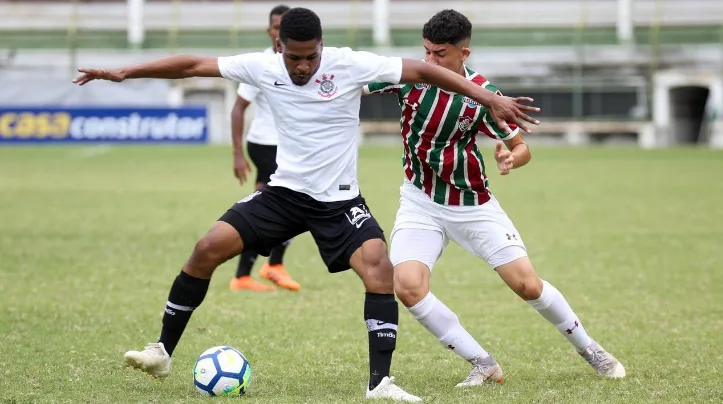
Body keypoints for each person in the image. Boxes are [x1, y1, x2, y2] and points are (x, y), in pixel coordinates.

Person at [72, 7, 539, 401]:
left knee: (379, 269)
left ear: (321, 47)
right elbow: (194, 65)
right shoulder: (263, 67)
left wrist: (486, 97)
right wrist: (123, 73)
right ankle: (161, 353)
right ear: (281, 50)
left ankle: (381, 383)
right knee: (206, 248)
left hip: (339, 201)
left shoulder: (349, 64)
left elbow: (423, 71)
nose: (303, 66)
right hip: (284, 194)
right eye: (294, 58)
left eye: (310, 56)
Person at [363, 9, 625, 387]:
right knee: (407, 286)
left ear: (463, 54)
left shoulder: (484, 96)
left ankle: (589, 348)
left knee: (527, 285)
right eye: (426, 52)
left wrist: (509, 157)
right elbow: (356, 81)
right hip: (420, 201)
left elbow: (522, 148)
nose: (429, 61)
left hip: (473, 205)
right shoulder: (410, 79)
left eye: (440, 54)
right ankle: (482, 363)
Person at [229, 4, 301, 292]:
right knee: (278, 208)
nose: (279, 31)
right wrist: (236, 154)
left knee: (287, 208)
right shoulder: (263, 65)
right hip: (267, 145)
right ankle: (255, 272)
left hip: (289, 146)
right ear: (269, 31)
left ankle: (265, 267)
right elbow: (238, 109)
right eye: (275, 26)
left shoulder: (303, 62)